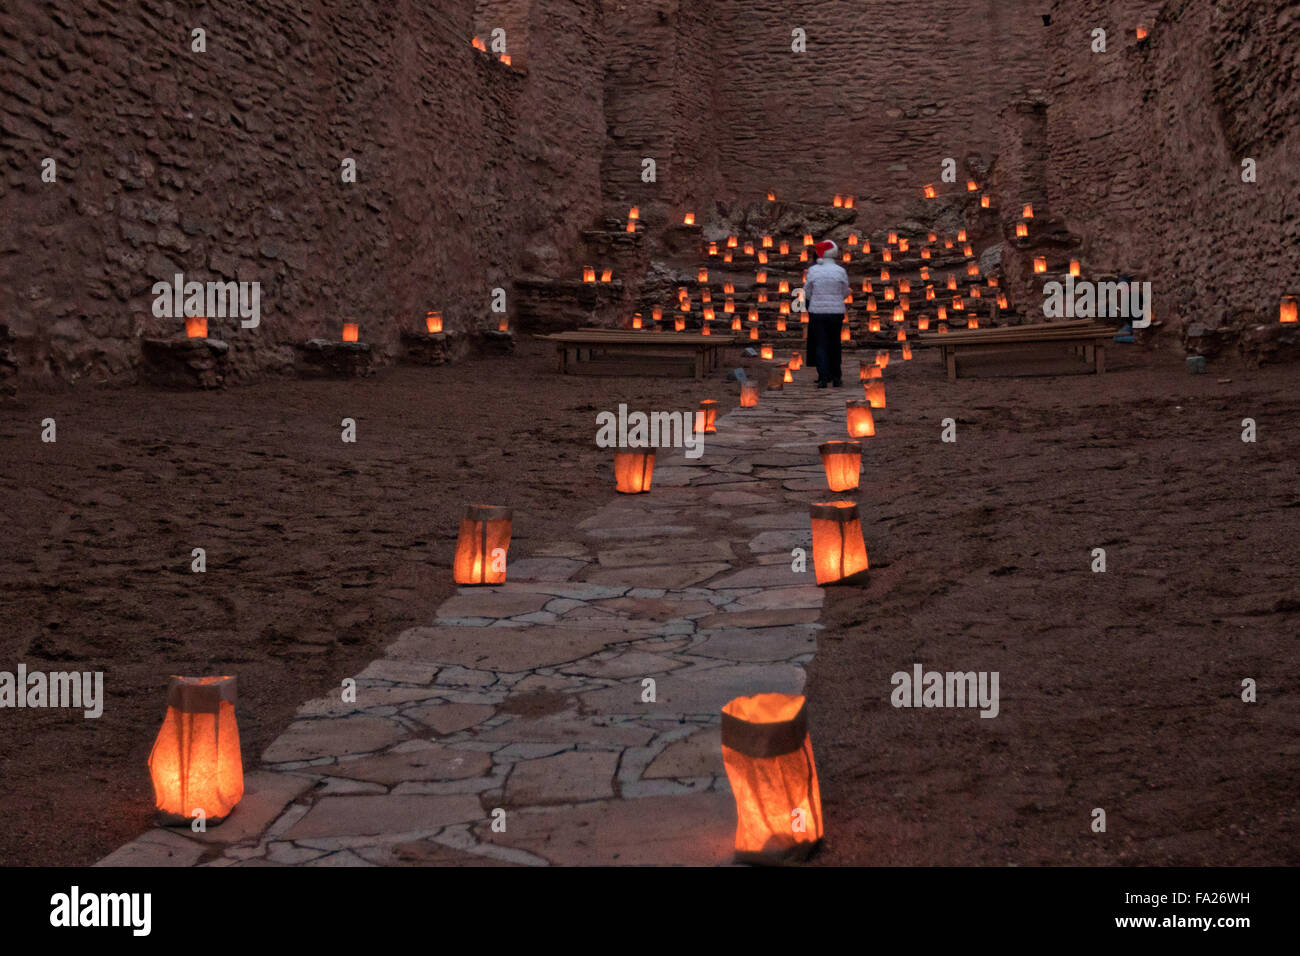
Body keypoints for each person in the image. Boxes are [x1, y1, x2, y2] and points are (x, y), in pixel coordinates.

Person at [802, 239, 850, 387]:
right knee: (835, 343)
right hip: (836, 312)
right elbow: (845, 292)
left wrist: (816, 298)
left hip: (817, 312)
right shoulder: (840, 271)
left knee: (821, 344)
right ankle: (836, 377)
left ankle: (823, 377)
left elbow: (807, 292)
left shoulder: (813, 271)